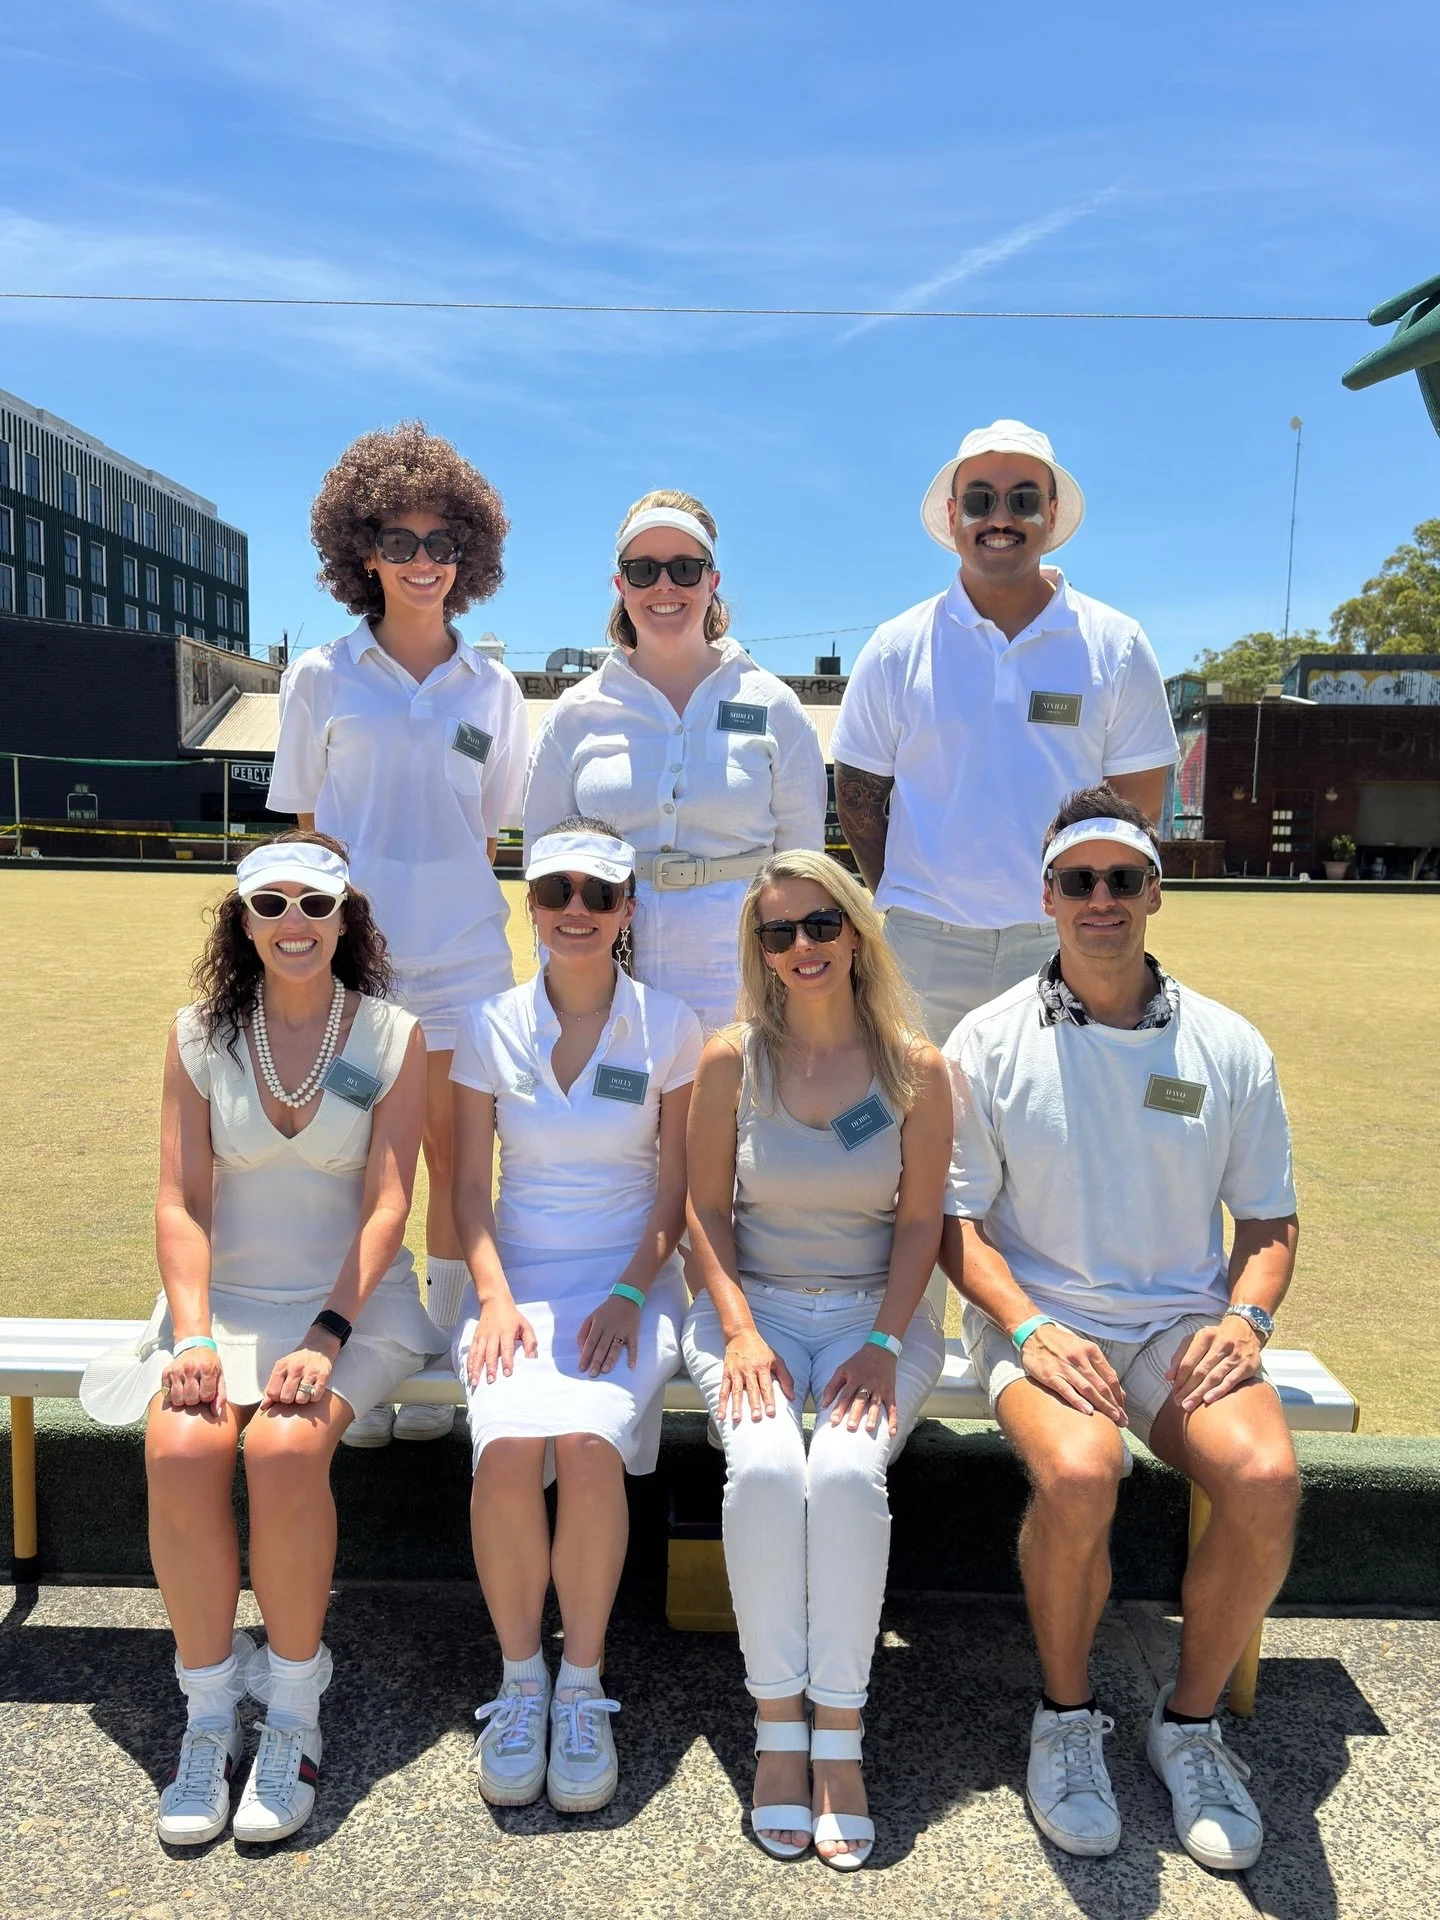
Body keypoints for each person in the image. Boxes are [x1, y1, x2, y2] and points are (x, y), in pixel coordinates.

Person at [941, 786, 1301, 1873]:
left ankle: (1188, 1727)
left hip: (1180, 1324)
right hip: (1038, 1322)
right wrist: (1031, 1324)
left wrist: (1246, 1316)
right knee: (1083, 1476)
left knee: (1266, 1478)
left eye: (1123, 879)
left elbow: (1271, 1221)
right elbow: (955, 1226)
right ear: (1046, 895)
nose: (1102, 900)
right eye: (1078, 880)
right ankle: (1065, 1717)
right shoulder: (987, 1040)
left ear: (1157, 891)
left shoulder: (1228, 1044)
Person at [80, 832, 434, 1848]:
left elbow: (388, 1206)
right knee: (181, 1445)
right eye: (270, 904)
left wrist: (325, 1334)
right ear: (241, 920)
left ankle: (291, 1712)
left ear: (345, 921)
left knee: (284, 1447)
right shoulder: (197, 1035)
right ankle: (204, 1720)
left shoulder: (394, 1035)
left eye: (315, 907)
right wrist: (189, 1334)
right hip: (221, 1306)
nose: (293, 924)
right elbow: (181, 1202)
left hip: (353, 1308)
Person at [683, 850, 950, 1869]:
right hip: (751, 1314)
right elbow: (704, 1213)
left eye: (820, 925)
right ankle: (775, 1731)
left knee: (841, 1470)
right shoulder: (727, 1060)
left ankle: (839, 1735)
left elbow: (923, 1223)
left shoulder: (917, 1069)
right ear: (758, 950)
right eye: (777, 933)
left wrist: (884, 1341)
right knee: (761, 1468)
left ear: (856, 930)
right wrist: (741, 1328)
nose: (802, 948)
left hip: (875, 1319)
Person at [267, 422, 529, 1444]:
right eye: (401, 540)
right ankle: (372, 1333)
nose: (424, 561)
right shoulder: (321, 679)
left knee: (463, 1170)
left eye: (442, 542)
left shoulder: (496, 690)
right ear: (361, 553)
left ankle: (463, 1346)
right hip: (357, 972)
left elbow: (490, 823)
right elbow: (310, 834)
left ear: (469, 556)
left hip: (468, 959)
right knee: (356, 1166)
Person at [450, 821, 702, 1814]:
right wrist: (498, 1298)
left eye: (599, 894)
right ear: (532, 904)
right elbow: (469, 1190)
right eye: (556, 891)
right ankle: (522, 1682)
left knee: (590, 1446)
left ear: (628, 910)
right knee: (509, 1450)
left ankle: (584, 1688)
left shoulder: (672, 1025)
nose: (576, 911)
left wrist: (634, 1293)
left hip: (629, 1280)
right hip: (514, 1281)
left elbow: (675, 1196)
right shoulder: (488, 1024)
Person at [831, 419, 1179, 1046]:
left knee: (1056, 1135)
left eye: (1022, 499)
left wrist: (1088, 906)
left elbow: (1135, 814)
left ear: (1050, 512)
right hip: (923, 946)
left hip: (1062, 940)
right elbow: (857, 798)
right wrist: (910, 895)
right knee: (925, 1133)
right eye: (979, 500)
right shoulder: (895, 647)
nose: (1000, 517)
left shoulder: (1115, 644)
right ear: (952, 513)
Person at [523, 489, 826, 1035]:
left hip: (744, 978)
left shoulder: (772, 706)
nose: (665, 586)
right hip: (608, 971)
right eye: (643, 570)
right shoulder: (575, 716)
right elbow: (543, 865)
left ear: (713, 581)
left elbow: (804, 868)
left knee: (732, 1117)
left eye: (685, 568)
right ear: (621, 586)